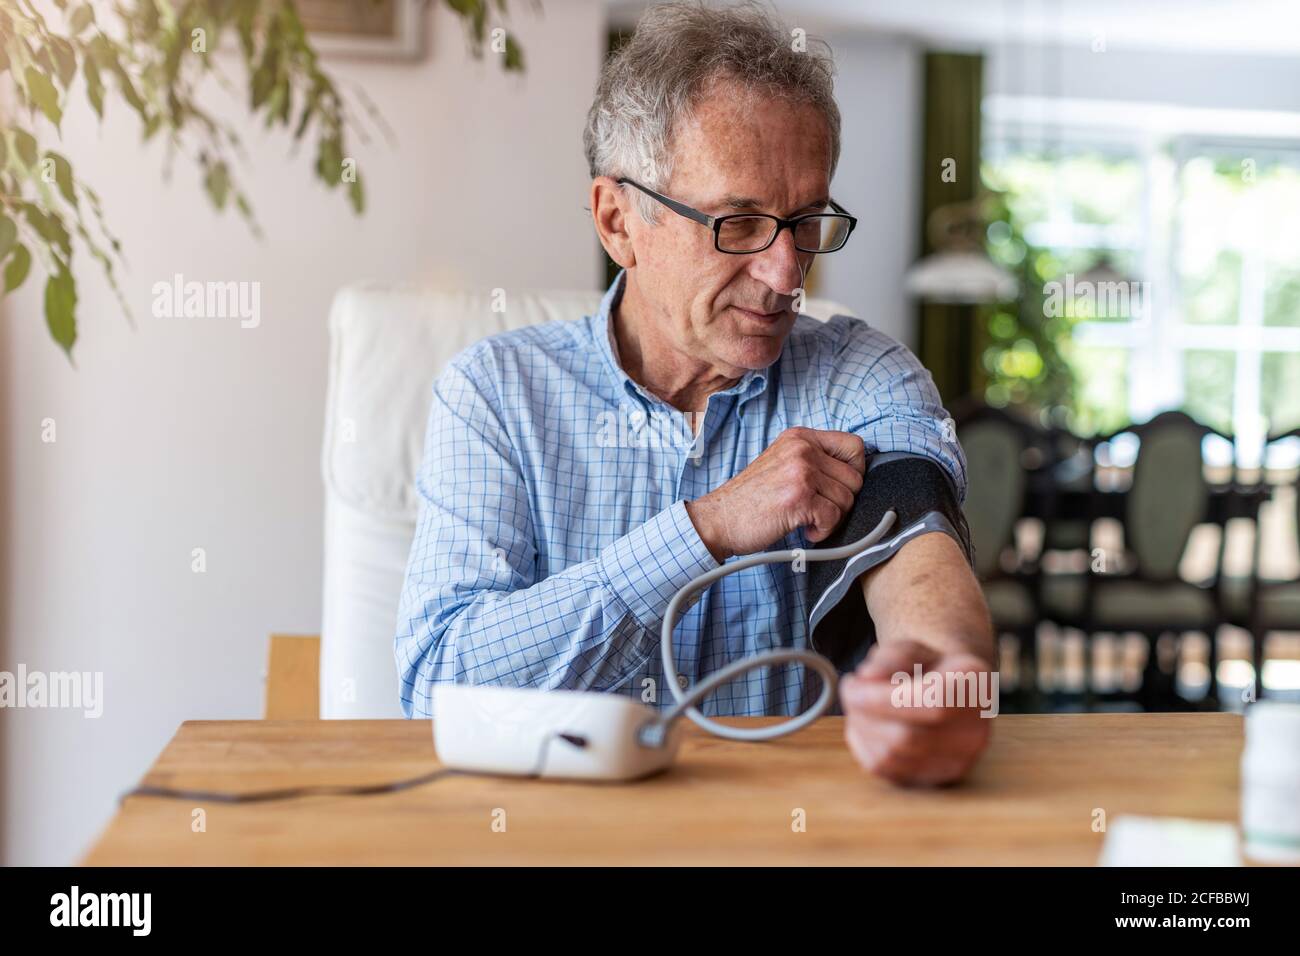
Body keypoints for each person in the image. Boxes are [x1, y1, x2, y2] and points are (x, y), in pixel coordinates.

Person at [396, 1, 995, 785]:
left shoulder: (863, 376)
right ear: (618, 221)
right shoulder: (496, 396)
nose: (788, 274)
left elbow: (921, 554)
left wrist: (941, 674)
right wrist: (706, 528)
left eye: (807, 219)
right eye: (738, 222)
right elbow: (437, 690)